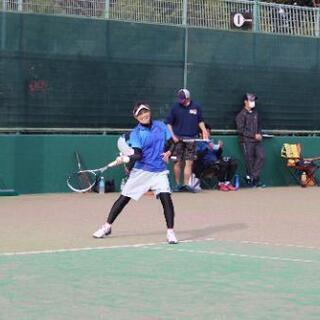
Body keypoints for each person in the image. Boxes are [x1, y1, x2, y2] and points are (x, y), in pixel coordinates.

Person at [93, 102, 178, 244]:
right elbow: (138, 155)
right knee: (124, 198)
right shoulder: (136, 134)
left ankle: (170, 232)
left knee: (166, 199)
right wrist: (126, 158)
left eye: (145, 112)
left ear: (149, 112)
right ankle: (107, 226)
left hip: (159, 171)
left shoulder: (161, 126)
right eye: (140, 114)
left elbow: (173, 143)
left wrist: (169, 151)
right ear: (136, 117)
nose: (143, 115)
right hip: (141, 172)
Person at [166, 88, 208, 192]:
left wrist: (203, 130)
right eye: (179, 98)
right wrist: (173, 136)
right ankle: (177, 185)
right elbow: (168, 123)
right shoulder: (175, 107)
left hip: (191, 138)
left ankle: (186, 185)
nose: (181, 100)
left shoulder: (196, 106)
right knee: (177, 162)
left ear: (188, 98)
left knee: (189, 162)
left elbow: (200, 120)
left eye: (183, 98)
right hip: (178, 139)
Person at [193, 123, 238, 191]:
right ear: (200, 134)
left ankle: (227, 183)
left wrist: (219, 148)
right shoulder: (197, 142)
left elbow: (217, 155)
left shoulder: (211, 141)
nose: (208, 134)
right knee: (222, 163)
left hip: (216, 161)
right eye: (206, 132)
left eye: (209, 132)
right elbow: (198, 156)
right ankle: (221, 184)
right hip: (206, 165)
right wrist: (207, 148)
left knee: (233, 162)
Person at [235, 93, 265, 187]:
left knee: (261, 157)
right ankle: (254, 181)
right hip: (246, 141)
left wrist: (259, 134)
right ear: (245, 102)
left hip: (257, 141)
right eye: (251, 100)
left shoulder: (256, 113)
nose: (253, 102)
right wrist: (253, 135)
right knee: (249, 161)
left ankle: (251, 177)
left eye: (254, 100)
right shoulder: (241, 115)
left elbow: (259, 126)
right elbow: (240, 130)